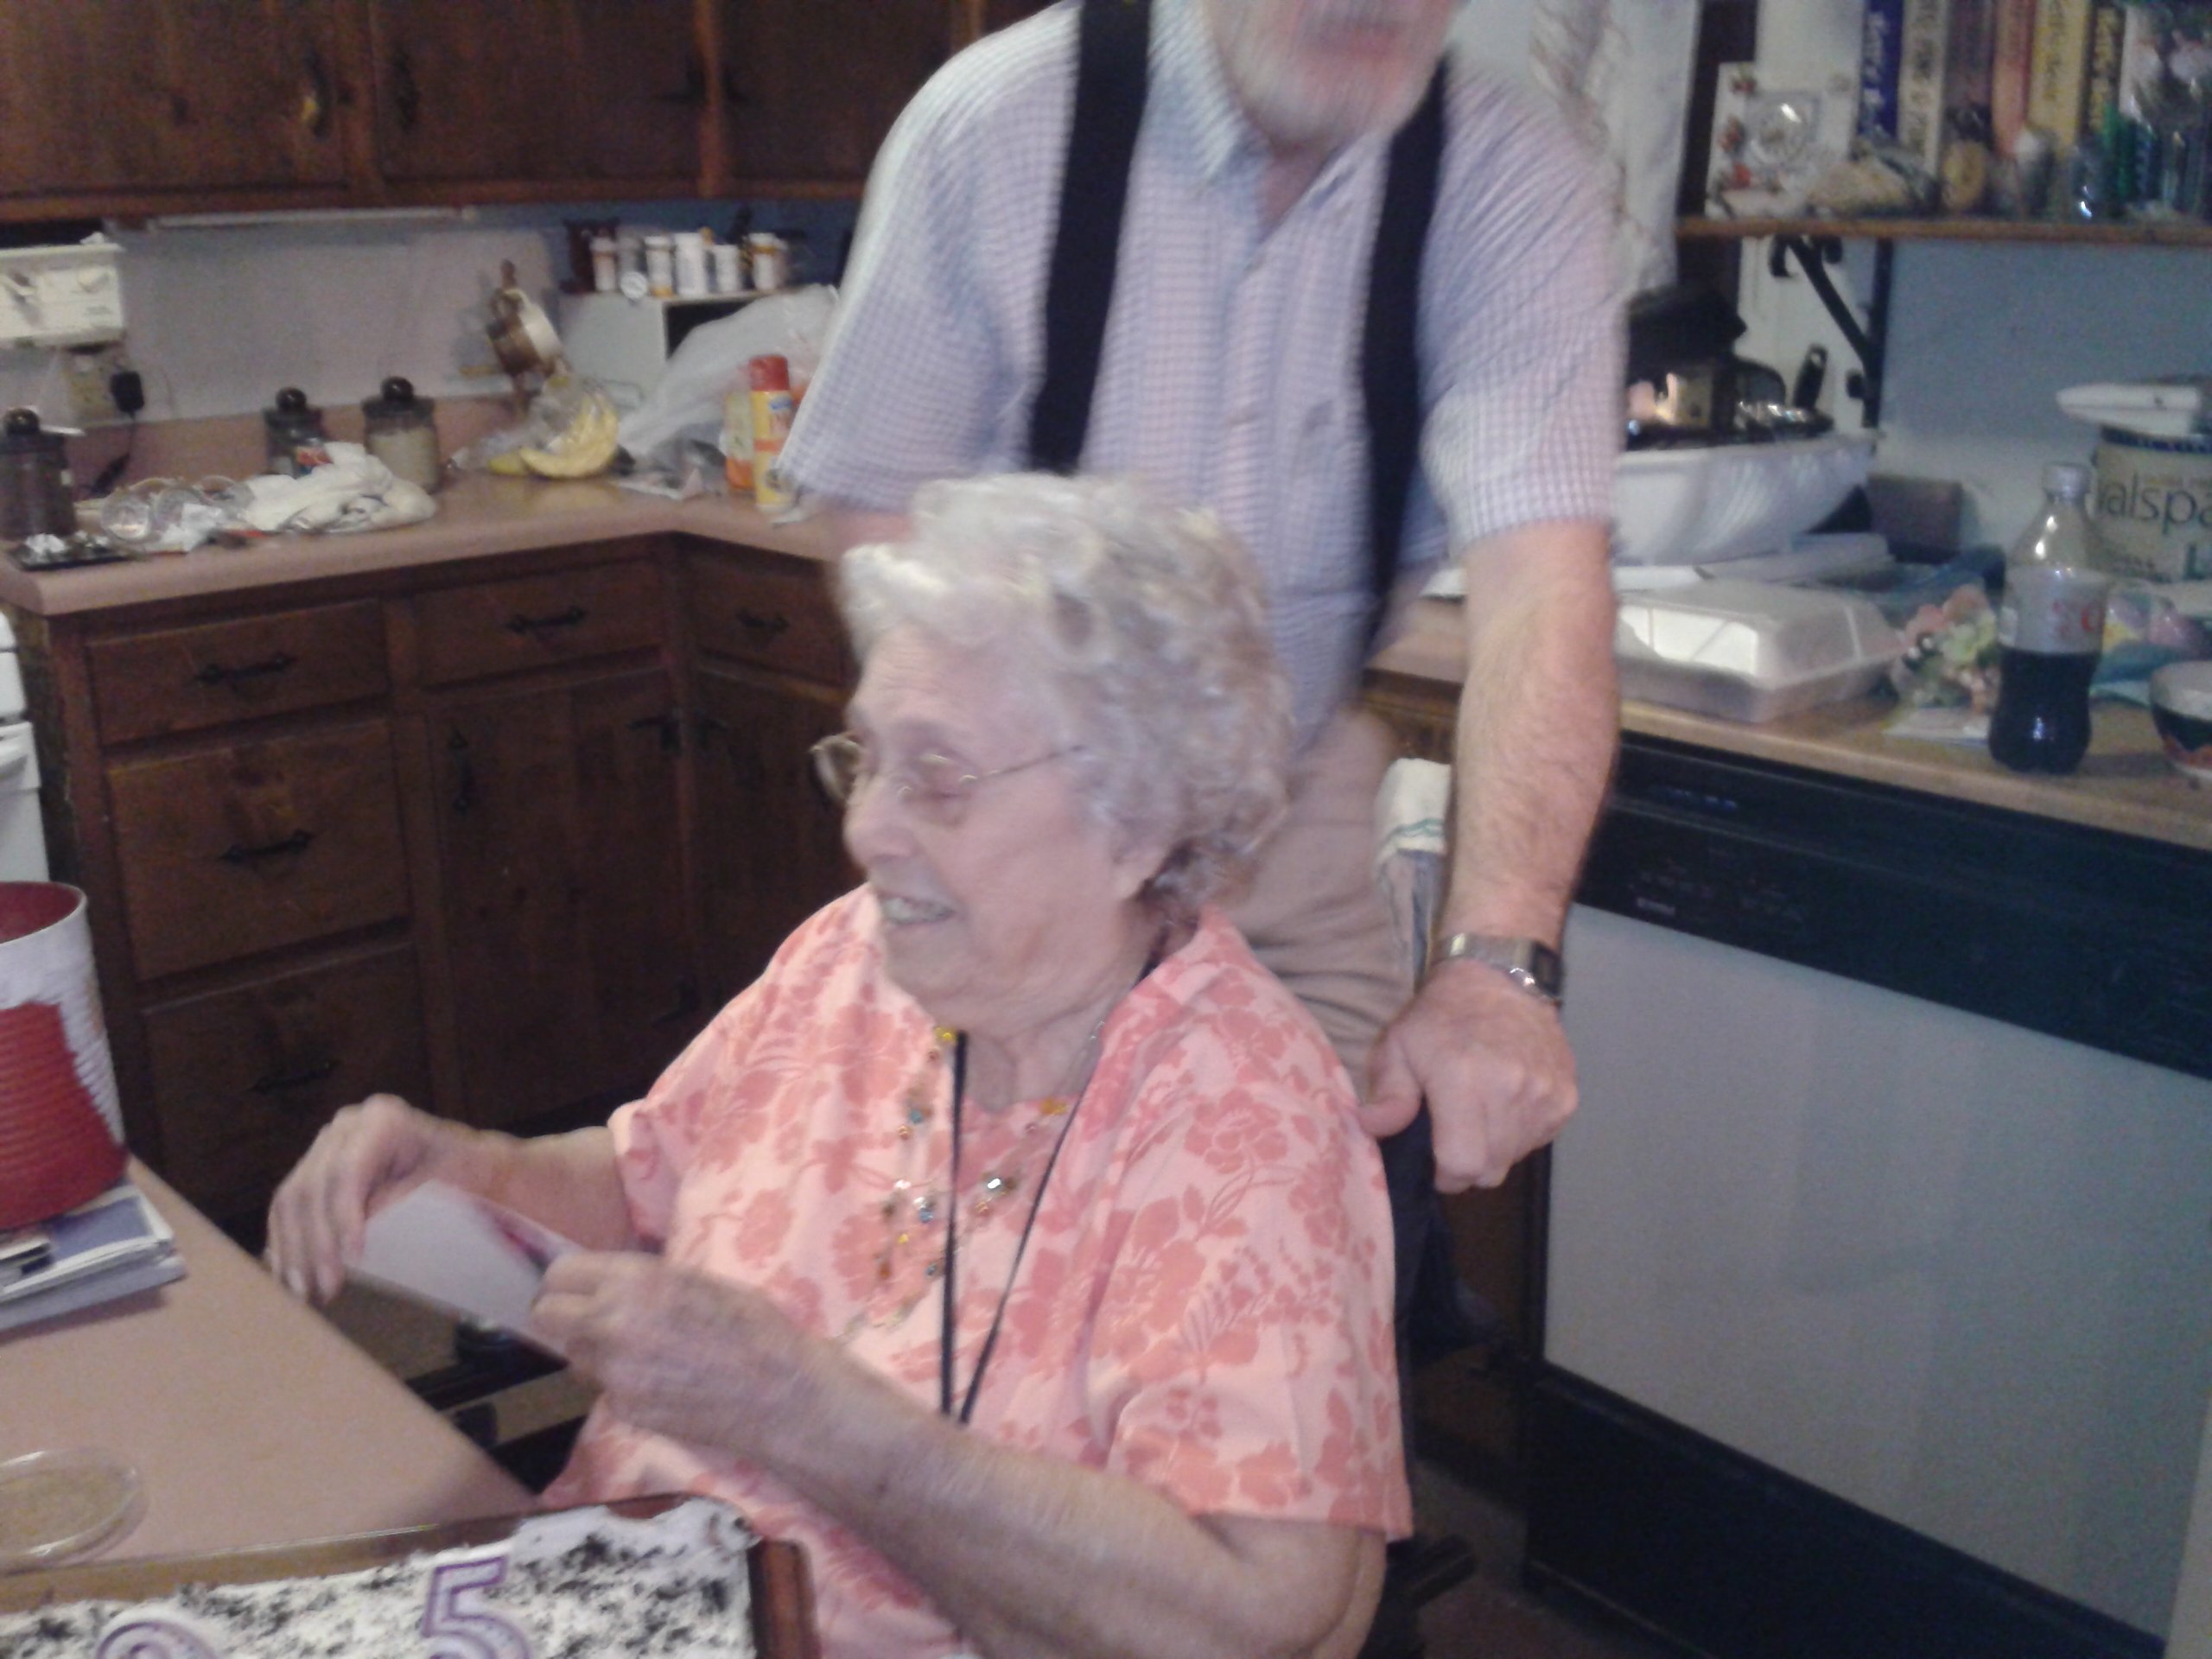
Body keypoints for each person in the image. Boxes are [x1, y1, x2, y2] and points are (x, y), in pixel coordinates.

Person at [267, 474, 1413, 1659]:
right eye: (865, 758)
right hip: (612, 1593)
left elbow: (1253, 1616)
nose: (867, 829)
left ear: (1137, 823)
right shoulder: (854, 956)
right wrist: (460, 1171)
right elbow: (641, 1182)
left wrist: (807, 1413)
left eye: (938, 777)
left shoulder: (1241, 1115)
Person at [782, 0, 1624, 1197]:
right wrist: (997, 810)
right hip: (1023, 828)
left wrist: (1496, 965)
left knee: (1310, 1221)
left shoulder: (1507, 179)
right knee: (990, 1243)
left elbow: (1544, 591)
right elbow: (880, 521)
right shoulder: (997, 129)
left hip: (1296, 812)